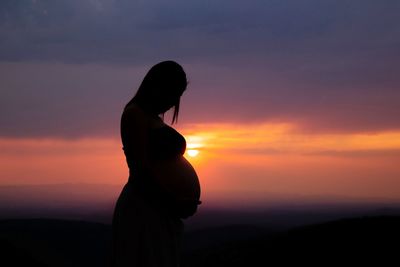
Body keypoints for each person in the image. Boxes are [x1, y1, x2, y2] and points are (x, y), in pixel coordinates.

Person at [110, 61, 201, 267]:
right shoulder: (134, 114)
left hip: (158, 210)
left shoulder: (152, 118)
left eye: (179, 95)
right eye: (172, 92)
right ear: (156, 85)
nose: (174, 101)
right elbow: (139, 170)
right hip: (144, 207)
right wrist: (173, 202)